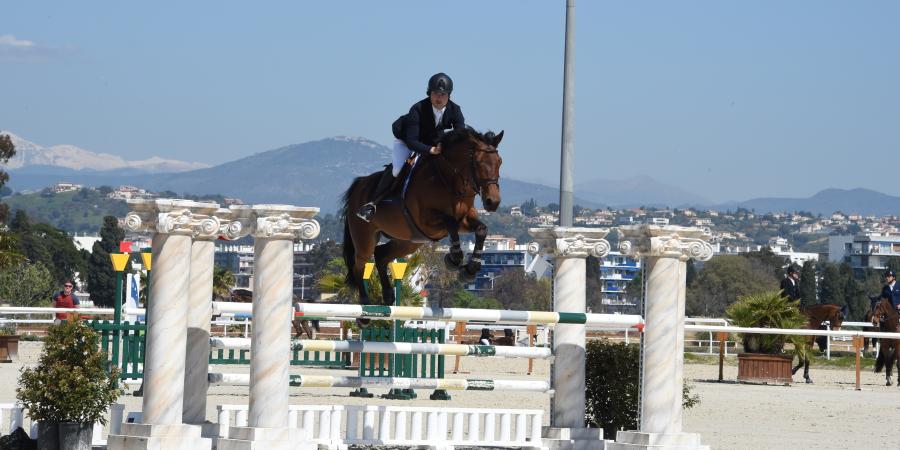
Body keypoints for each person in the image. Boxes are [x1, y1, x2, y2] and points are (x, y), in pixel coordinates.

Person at [356, 72, 466, 222]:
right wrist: (431, 150)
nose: (439, 98)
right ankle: (372, 204)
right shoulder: (418, 109)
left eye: (443, 94)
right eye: (435, 94)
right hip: (407, 140)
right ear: (429, 93)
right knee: (398, 168)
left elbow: (460, 134)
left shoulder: (455, 110)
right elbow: (412, 141)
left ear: (449, 95)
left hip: (432, 140)